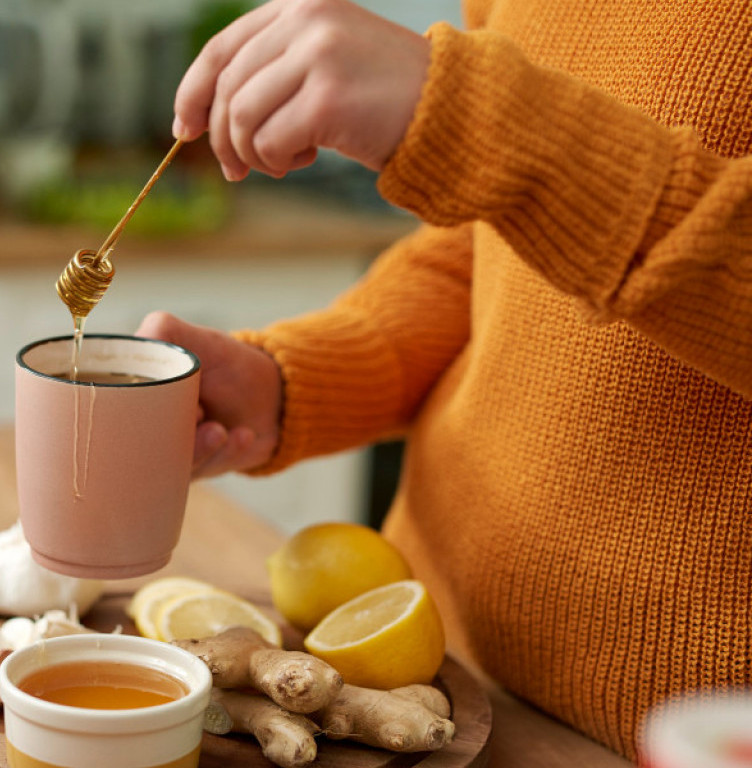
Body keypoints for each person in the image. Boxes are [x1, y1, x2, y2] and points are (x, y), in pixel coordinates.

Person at [136, 0, 752, 760]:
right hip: (424, 690)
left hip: (678, 740)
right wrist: (292, 380)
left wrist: (483, 123)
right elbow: (489, 250)